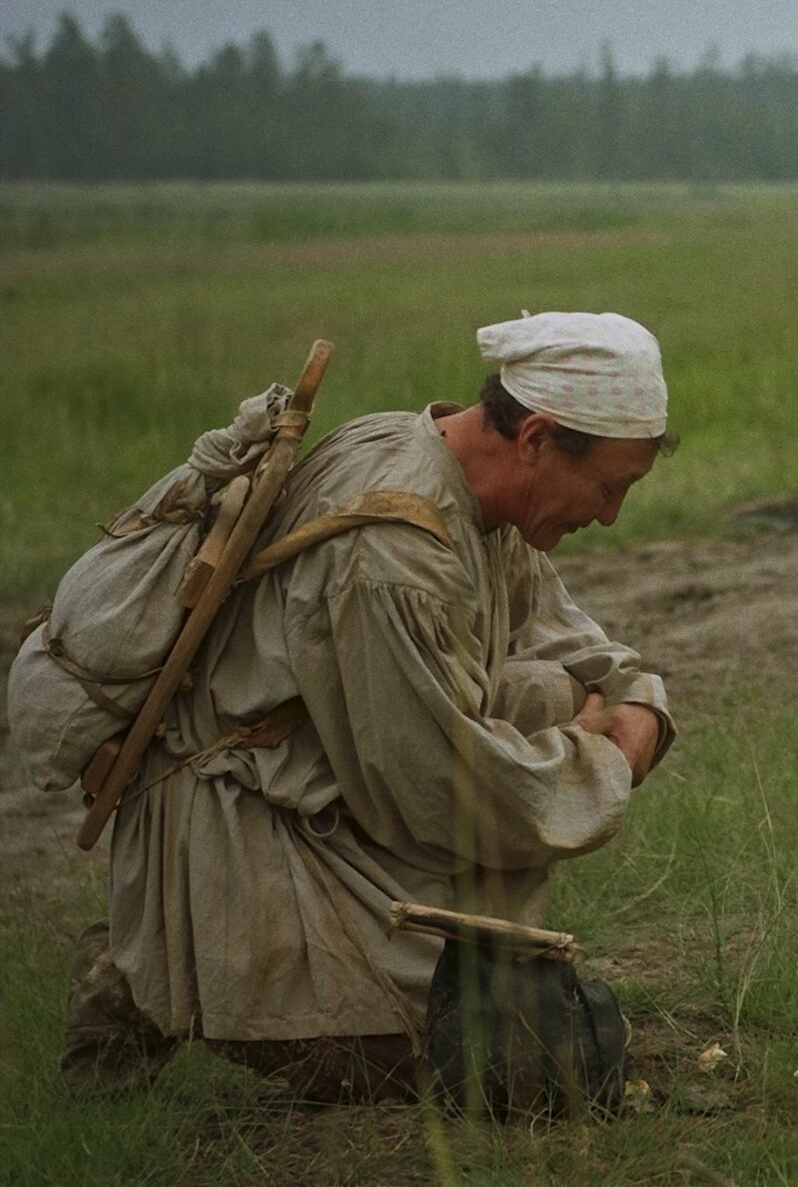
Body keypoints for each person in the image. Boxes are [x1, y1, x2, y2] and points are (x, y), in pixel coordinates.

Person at [62, 311, 677, 1102]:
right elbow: (436, 789)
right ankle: (145, 969)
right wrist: (609, 757)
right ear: (536, 436)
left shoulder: (457, 469)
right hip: (242, 818)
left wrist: (635, 700)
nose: (609, 516)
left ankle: (170, 955)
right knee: (483, 1064)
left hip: (327, 786)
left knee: (549, 691)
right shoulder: (395, 552)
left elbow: (558, 631)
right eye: (608, 486)